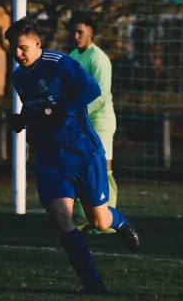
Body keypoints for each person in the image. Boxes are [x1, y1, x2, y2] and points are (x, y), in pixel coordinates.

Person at [5, 16, 140, 295]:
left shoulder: (59, 63)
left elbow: (92, 89)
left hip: (83, 153)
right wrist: (22, 120)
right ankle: (93, 284)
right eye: (14, 49)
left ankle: (123, 224)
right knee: (60, 216)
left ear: (37, 43)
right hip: (51, 158)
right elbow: (36, 108)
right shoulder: (19, 77)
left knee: (99, 221)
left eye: (22, 48)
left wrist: (63, 109)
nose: (18, 54)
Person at [68, 17, 118, 234]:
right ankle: (83, 217)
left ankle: (107, 220)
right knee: (80, 168)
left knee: (103, 170)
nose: (75, 36)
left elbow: (102, 94)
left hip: (100, 122)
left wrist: (78, 111)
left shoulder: (98, 58)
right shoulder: (72, 57)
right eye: (74, 32)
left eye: (80, 31)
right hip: (80, 122)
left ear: (91, 33)